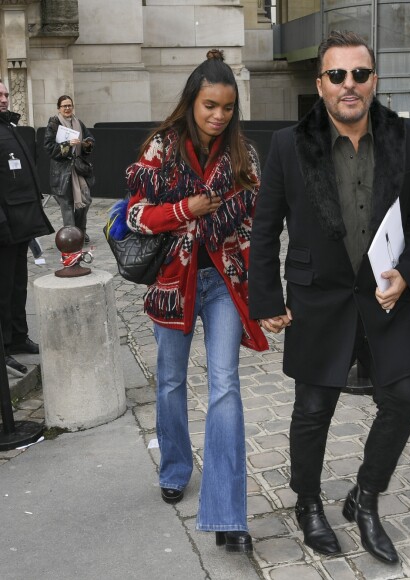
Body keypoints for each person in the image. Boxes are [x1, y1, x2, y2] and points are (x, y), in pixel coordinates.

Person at [248, 31, 410, 564]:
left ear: (374, 81)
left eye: (359, 74)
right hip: (317, 298)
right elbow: (265, 230)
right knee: (313, 409)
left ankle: (366, 497)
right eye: (337, 75)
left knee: (403, 399)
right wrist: (265, 299)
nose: (349, 85)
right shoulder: (289, 144)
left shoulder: (408, 137)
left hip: (385, 294)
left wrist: (408, 274)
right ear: (321, 84)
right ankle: (308, 503)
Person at [122, 50, 267, 553]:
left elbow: (254, 226)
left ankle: (228, 514)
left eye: (227, 107)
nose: (218, 116)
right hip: (173, 285)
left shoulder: (242, 154)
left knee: (225, 387)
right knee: (170, 382)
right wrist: (188, 208)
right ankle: (176, 466)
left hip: (224, 285)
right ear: (192, 101)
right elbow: (136, 215)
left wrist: (263, 288)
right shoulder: (161, 147)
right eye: (209, 105)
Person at [0, 80, 54, 376]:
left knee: (19, 284)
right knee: (4, 289)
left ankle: (19, 336)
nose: (5, 99)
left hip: (21, 223)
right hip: (5, 226)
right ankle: (4, 346)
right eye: (0, 94)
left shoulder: (8, 127)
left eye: (6, 93)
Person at [44, 95, 95, 244]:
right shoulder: (53, 124)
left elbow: (91, 139)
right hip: (61, 171)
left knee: (85, 201)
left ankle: (79, 231)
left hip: (78, 168)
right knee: (66, 204)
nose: (67, 108)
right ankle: (71, 237)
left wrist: (87, 144)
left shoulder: (78, 122)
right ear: (59, 108)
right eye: (64, 106)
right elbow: (49, 148)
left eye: (69, 105)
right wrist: (67, 144)